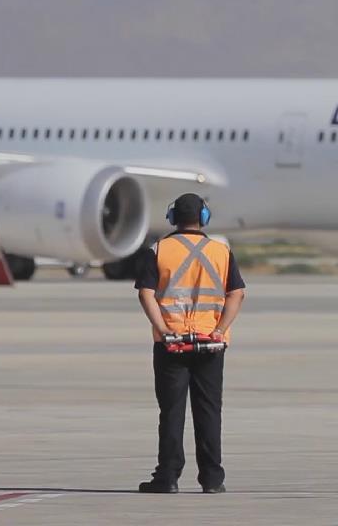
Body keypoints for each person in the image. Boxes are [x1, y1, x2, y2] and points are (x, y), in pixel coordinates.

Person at [135, 193, 246, 494]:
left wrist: (162, 329)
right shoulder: (221, 252)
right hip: (211, 343)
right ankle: (212, 478)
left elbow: (145, 293)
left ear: (173, 218)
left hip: (171, 344)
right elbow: (237, 293)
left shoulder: (159, 250)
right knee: (209, 410)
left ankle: (167, 477)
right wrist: (220, 330)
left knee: (171, 412)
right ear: (204, 218)